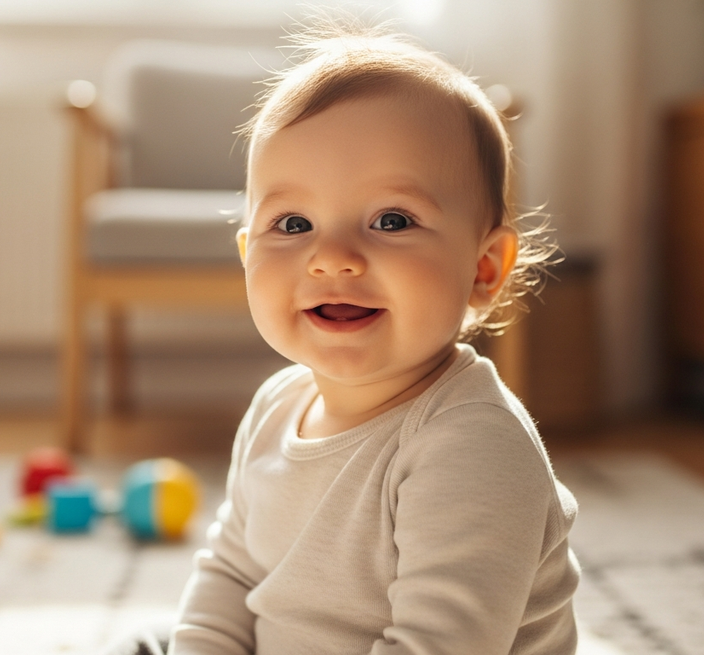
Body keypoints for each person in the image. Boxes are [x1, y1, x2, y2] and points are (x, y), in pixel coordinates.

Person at [155, 18, 578, 655]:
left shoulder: (472, 447)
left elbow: (438, 643)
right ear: (247, 255)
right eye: (293, 222)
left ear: (483, 269)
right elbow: (233, 573)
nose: (333, 257)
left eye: (391, 219)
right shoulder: (275, 409)